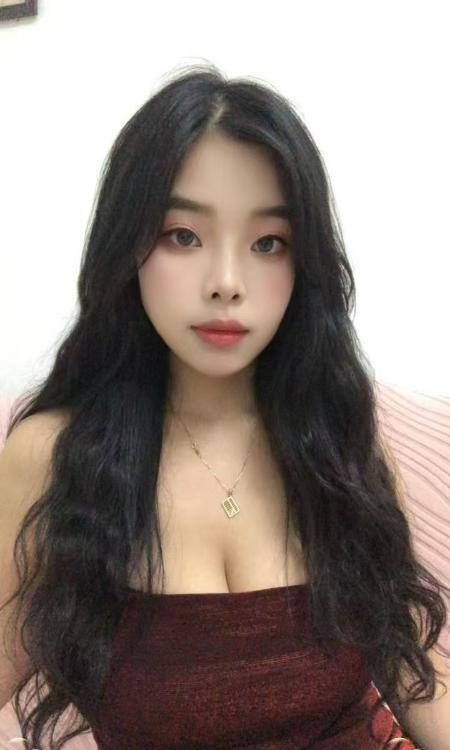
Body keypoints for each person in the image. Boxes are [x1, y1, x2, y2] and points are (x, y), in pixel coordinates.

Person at [1, 62, 449, 750]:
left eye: (269, 243)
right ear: (127, 245)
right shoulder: (53, 458)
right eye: (183, 235)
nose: (227, 283)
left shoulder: (338, 438)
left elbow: (418, 678)